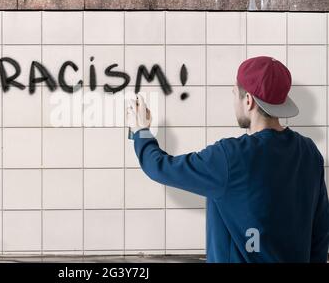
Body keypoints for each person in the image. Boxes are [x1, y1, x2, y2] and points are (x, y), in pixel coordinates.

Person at [127, 56, 329, 263]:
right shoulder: (309, 153)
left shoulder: (230, 157)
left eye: (235, 94)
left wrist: (140, 130)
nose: (234, 101)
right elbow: (321, 233)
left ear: (248, 100)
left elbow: (159, 167)